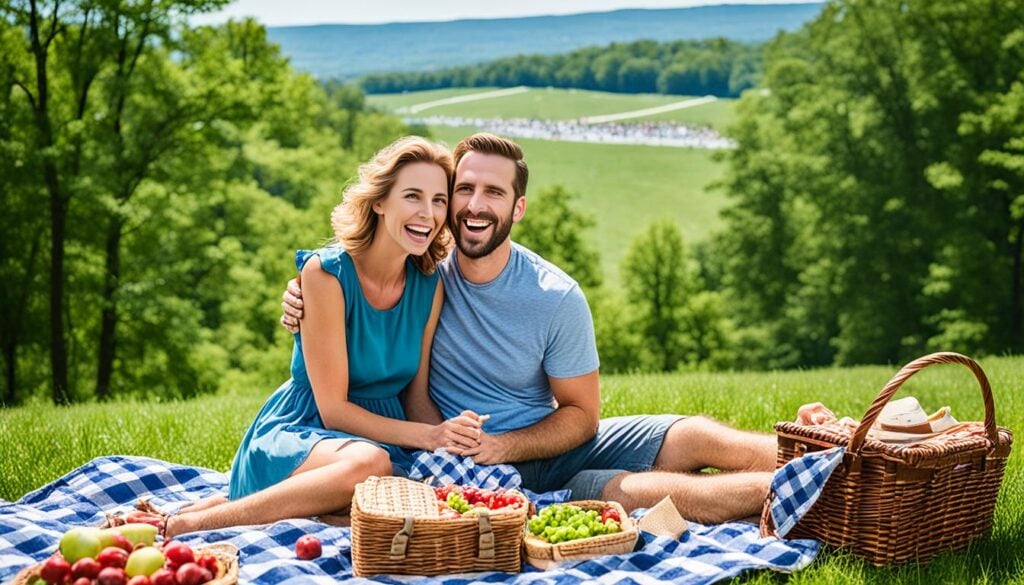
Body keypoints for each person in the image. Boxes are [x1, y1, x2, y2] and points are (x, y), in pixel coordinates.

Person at [281, 133, 778, 524]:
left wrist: (507, 444)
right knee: (626, 490)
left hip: (544, 440)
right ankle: (797, 490)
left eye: (493, 192)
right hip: (467, 465)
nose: (475, 205)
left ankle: (833, 454)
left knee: (690, 435)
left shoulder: (554, 295)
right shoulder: (423, 271)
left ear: (517, 208)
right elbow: (362, 282)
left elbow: (582, 414)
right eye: (464, 190)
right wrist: (301, 294)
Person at [162, 136, 484, 537]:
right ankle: (194, 522)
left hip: (386, 435)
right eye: (413, 196)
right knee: (371, 467)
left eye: (439, 200)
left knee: (417, 498)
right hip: (305, 430)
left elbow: (416, 397)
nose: (427, 213)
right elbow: (334, 410)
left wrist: (450, 446)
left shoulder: (428, 284)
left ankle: (261, 506)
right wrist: (428, 436)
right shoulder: (326, 274)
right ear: (379, 201)